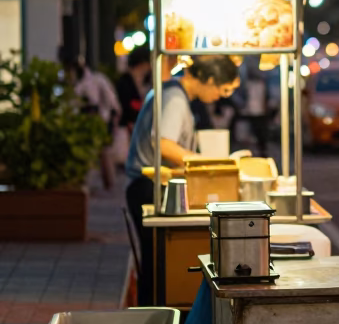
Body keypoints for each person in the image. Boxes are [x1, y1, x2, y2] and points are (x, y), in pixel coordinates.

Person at [125, 55, 240, 304]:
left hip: (148, 186)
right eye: (223, 89)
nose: (221, 96)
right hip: (149, 188)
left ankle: (154, 318)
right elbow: (163, 144)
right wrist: (202, 162)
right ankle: (156, 322)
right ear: (209, 80)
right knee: (157, 264)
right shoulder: (175, 98)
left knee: (155, 262)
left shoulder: (173, 93)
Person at [71, 60, 122, 190]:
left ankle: (108, 183)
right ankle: (97, 183)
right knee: (95, 153)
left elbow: (111, 101)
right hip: (88, 121)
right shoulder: (80, 83)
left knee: (104, 153)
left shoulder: (96, 80)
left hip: (100, 120)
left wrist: (113, 118)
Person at [115, 45, 151, 132]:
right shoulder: (125, 82)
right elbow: (126, 106)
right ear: (142, 63)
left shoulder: (145, 81)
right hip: (125, 131)